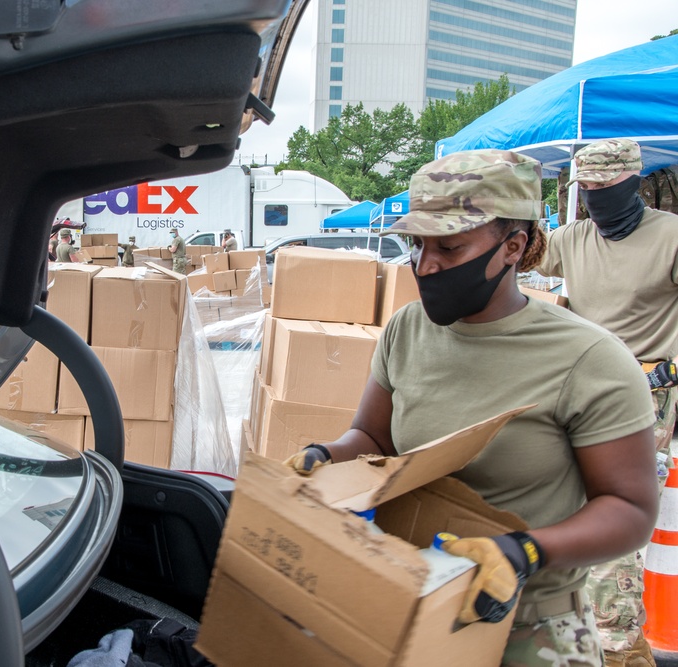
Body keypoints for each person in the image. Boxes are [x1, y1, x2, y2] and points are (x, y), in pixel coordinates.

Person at [285, 149, 659, 667]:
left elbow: (630, 509)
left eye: (450, 247)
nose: (424, 265)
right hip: (413, 607)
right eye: (417, 245)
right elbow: (374, 440)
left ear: (514, 246)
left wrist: (526, 551)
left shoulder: (590, 360)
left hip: (530, 629)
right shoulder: (406, 330)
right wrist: (327, 454)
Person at [535, 138, 678, 667]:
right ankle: (595, 636)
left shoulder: (670, 237)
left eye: (601, 187)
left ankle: (615, 642)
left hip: (647, 392)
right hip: (581, 387)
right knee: (569, 506)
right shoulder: (574, 237)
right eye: (585, 188)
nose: (591, 198)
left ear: (630, 183)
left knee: (618, 518)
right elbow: (523, 253)